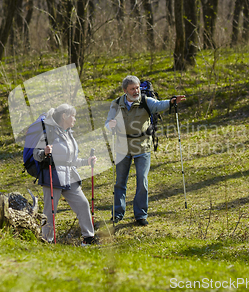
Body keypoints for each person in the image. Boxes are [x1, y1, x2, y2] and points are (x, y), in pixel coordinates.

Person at [106, 76, 185, 226]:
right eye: (132, 89)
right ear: (125, 91)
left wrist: (172, 102)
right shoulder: (116, 104)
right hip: (122, 147)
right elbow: (107, 123)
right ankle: (117, 214)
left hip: (142, 146)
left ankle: (141, 215)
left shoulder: (146, 101)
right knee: (119, 183)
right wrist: (110, 125)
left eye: (137, 88)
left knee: (142, 180)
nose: (136, 91)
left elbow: (160, 105)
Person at [34, 104, 97, 245]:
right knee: (50, 211)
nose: (75, 119)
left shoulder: (69, 134)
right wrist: (44, 152)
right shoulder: (48, 133)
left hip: (70, 176)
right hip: (52, 176)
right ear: (64, 116)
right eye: (73, 115)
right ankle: (47, 241)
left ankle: (88, 238)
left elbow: (72, 161)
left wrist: (86, 162)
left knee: (82, 204)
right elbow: (36, 155)